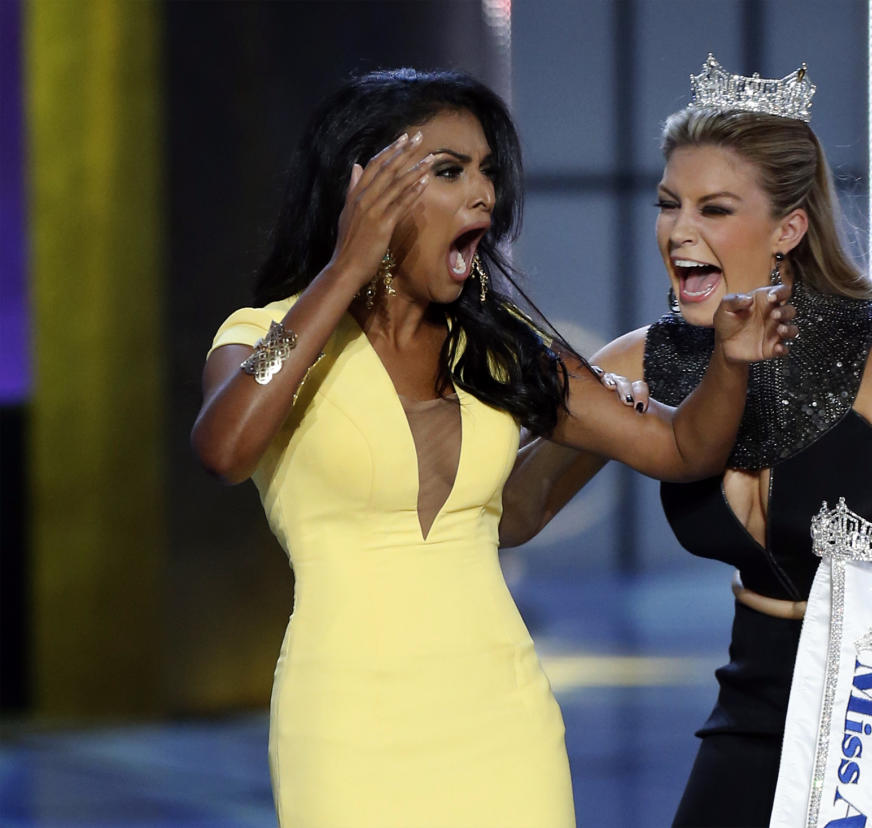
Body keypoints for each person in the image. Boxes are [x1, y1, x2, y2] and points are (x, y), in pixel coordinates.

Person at [190, 67, 798, 828]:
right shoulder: (267, 339)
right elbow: (225, 446)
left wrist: (734, 365)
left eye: (488, 173)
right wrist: (345, 270)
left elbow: (680, 448)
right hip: (342, 724)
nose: (484, 195)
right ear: (363, 190)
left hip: (501, 720)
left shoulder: (502, 352)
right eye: (449, 172)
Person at [504, 57, 872, 827]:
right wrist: (595, 420)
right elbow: (514, 515)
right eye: (669, 204)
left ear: (788, 229)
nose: (679, 231)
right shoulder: (638, 362)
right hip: (760, 693)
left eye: (714, 209)